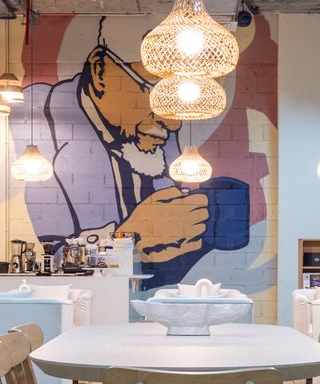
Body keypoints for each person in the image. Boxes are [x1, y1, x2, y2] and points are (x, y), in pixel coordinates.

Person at [12, 24, 228, 286]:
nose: (172, 124)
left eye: (172, 101)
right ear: (100, 71)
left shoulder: (158, 129)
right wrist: (129, 235)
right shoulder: (37, 124)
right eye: (152, 92)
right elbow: (56, 265)